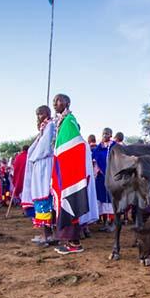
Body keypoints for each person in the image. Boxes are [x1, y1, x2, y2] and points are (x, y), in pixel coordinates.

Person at [51, 93, 97, 254]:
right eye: (54, 101)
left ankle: (75, 244)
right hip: (66, 173)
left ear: (67, 103)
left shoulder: (69, 121)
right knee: (67, 203)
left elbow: (76, 147)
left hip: (71, 174)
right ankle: (71, 242)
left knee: (70, 202)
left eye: (58, 100)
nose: (55, 103)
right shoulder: (62, 123)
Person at [22, 106, 56, 245]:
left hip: (45, 166)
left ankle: (47, 236)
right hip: (40, 167)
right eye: (37, 114)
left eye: (41, 113)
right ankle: (47, 234)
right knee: (42, 200)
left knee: (44, 200)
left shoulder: (51, 126)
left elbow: (43, 149)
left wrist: (31, 157)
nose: (38, 116)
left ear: (47, 113)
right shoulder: (44, 127)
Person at [92, 127, 116, 230]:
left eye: (107, 133)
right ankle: (105, 223)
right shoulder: (99, 147)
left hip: (112, 178)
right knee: (102, 201)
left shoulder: (114, 147)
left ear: (111, 135)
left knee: (111, 201)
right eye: (103, 133)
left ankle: (113, 223)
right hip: (100, 178)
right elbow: (94, 156)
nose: (104, 135)